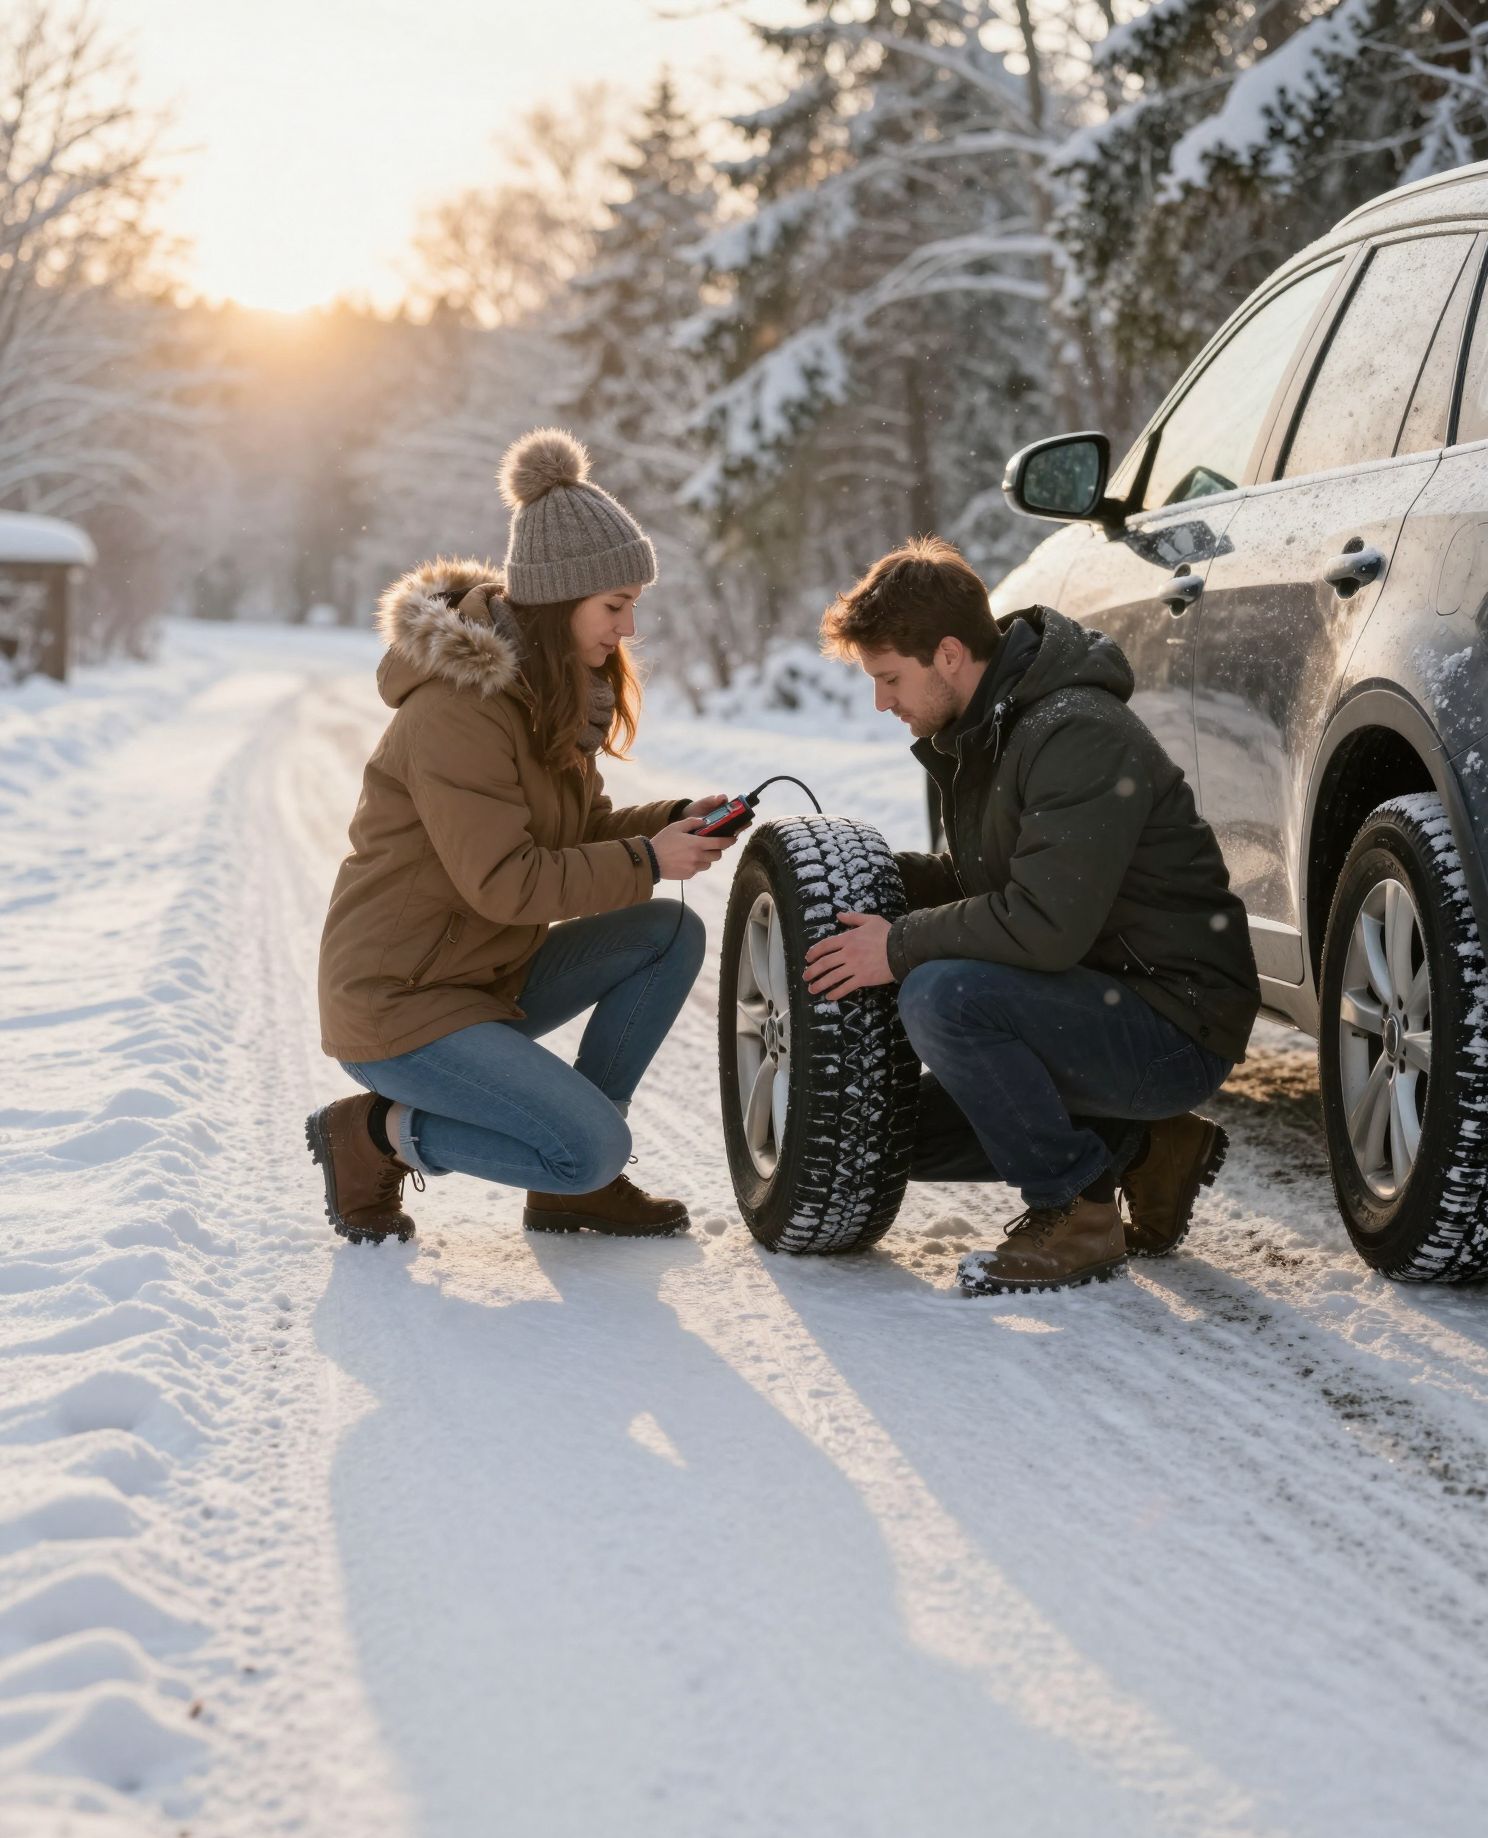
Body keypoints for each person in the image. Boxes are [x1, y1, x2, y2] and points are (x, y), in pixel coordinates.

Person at [308, 428, 739, 1246]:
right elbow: (506, 881)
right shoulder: (457, 710)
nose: (629, 626)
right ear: (557, 602)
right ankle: (373, 1134)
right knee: (589, 1150)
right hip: (401, 1003)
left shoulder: (549, 693)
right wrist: (649, 860)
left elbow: (577, 833)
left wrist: (669, 822)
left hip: (482, 975)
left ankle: (576, 1175)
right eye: (615, 605)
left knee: (667, 930)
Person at [807, 537, 1261, 1295]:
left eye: (889, 679)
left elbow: (1044, 922)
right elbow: (988, 881)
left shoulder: (1075, 732)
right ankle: (1144, 1148)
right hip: (1095, 1000)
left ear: (948, 654)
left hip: (1172, 1020)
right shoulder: (992, 728)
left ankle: (1076, 1212)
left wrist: (901, 944)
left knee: (940, 995)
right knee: (883, 1132)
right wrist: (864, 881)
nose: (882, 702)